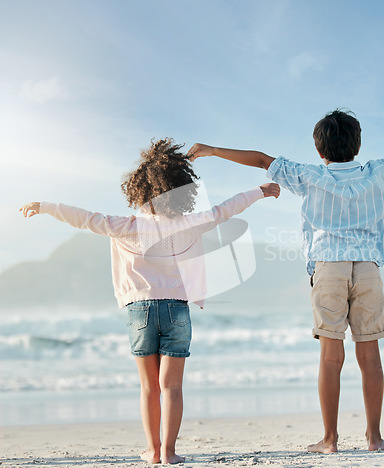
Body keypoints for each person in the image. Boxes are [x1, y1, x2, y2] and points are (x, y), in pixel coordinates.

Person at [188, 111, 384, 453]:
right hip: (367, 268)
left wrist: (212, 149)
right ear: (358, 145)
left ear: (319, 150)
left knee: (330, 355)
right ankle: (374, 437)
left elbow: (262, 159)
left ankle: (330, 439)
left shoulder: (308, 175)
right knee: (369, 354)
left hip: (328, 268)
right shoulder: (376, 171)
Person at [20, 137, 280, 465]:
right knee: (171, 386)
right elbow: (225, 209)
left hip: (140, 311)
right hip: (176, 310)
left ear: (141, 190)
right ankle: (170, 452)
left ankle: (153, 450)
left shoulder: (127, 226)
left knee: (149, 387)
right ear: (180, 190)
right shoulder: (189, 224)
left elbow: (84, 217)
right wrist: (260, 191)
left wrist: (45, 206)